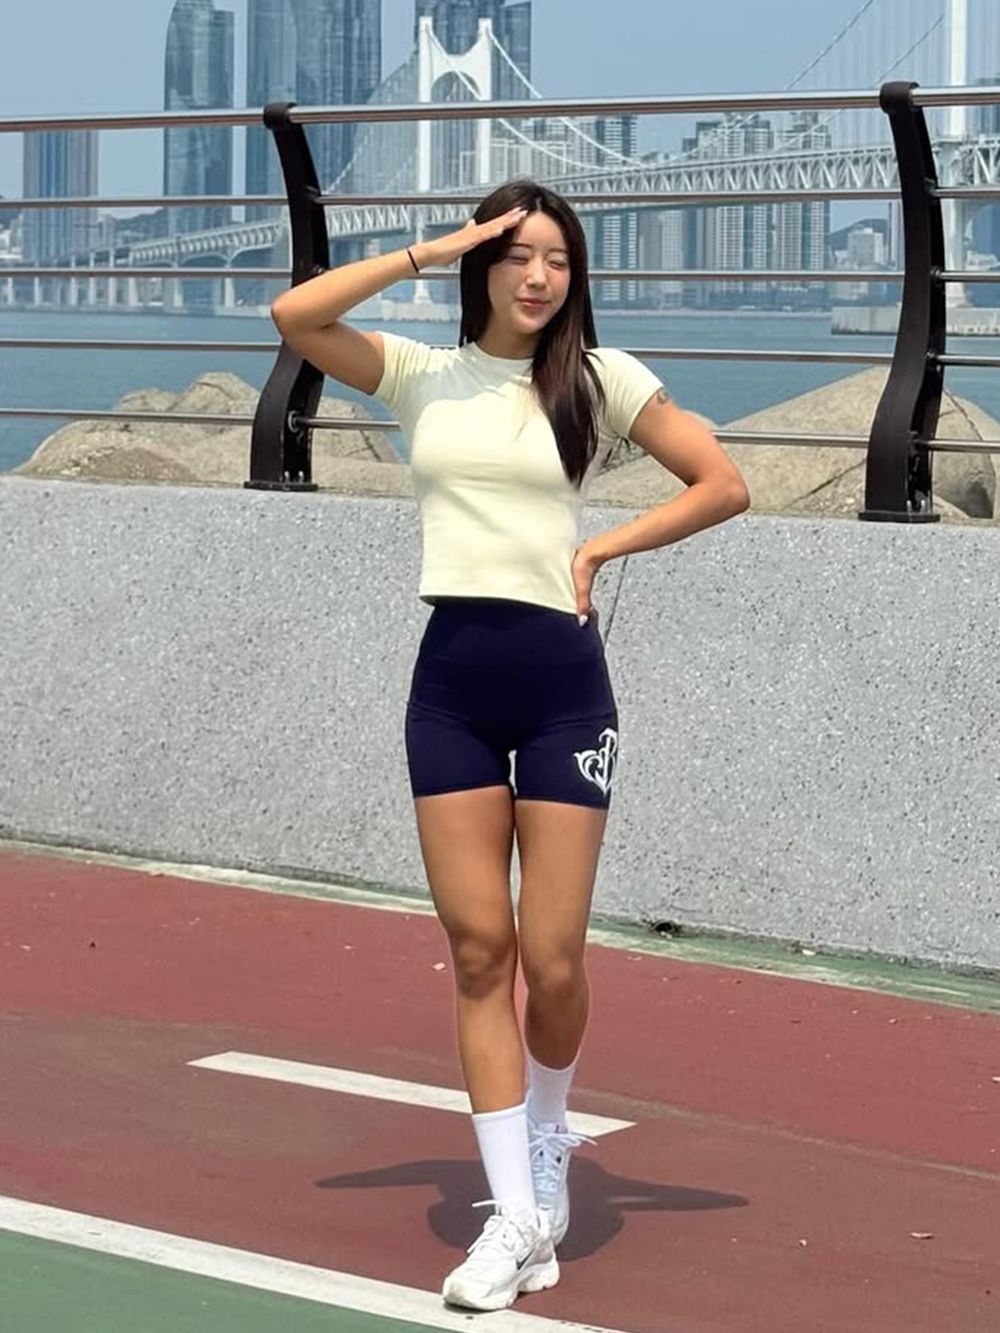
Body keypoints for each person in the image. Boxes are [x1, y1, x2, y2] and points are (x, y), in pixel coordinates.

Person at [270, 178, 749, 1312]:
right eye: (517, 254)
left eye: (558, 260)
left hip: (562, 691)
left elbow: (722, 482)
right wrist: (433, 247)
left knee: (554, 956)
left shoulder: (598, 379)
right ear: (484, 264)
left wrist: (601, 551)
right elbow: (295, 316)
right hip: (450, 687)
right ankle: (519, 1218)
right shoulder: (421, 375)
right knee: (480, 951)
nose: (539, 277)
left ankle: (548, 1129)